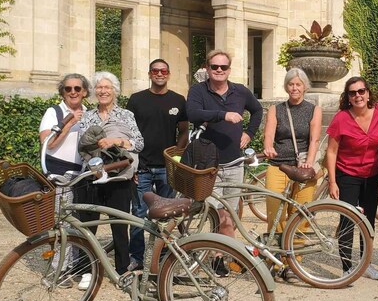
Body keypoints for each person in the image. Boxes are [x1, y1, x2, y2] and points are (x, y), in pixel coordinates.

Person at [185, 49, 263, 246]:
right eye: (214, 66)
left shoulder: (240, 91)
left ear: (229, 70)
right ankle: (217, 253)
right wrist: (223, 115)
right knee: (215, 213)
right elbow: (193, 114)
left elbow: (257, 110)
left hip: (234, 163)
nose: (219, 70)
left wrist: (249, 133)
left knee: (229, 214)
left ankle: (221, 257)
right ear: (207, 68)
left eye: (223, 67)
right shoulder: (198, 90)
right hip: (208, 165)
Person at [76, 71, 144, 286]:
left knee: (119, 226)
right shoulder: (87, 117)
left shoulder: (126, 115)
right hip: (93, 176)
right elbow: (82, 148)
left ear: (115, 91)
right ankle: (88, 270)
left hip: (119, 176)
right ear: (95, 92)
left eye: (107, 87)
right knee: (88, 225)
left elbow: (139, 143)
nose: (103, 91)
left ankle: (122, 269)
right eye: (99, 88)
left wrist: (117, 141)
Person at [125, 59, 188, 271]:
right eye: (155, 70)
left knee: (167, 214)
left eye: (163, 70)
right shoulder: (136, 100)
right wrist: (131, 163)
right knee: (139, 214)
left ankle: (161, 256)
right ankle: (137, 257)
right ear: (149, 73)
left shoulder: (178, 100)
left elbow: (184, 131)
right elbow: (128, 133)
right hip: (141, 167)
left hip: (166, 168)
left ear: (168, 74)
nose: (159, 74)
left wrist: (176, 157)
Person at [325, 76, 378, 281]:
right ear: (348, 97)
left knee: (368, 220)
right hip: (348, 174)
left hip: (373, 174)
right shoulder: (341, 118)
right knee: (348, 220)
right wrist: (332, 181)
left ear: (368, 93)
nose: (358, 96)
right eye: (353, 93)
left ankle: (366, 263)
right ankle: (347, 267)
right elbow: (331, 151)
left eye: (361, 91)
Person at [262, 68, 322, 236]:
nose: (294, 88)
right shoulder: (276, 109)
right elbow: (269, 134)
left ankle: (295, 258)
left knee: (300, 214)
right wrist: (268, 147)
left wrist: (309, 161)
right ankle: (277, 257)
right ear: (286, 87)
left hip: (302, 166)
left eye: (298, 84)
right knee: (275, 213)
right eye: (291, 84)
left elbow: (314, 140)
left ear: (305, 87)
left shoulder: (314, 110)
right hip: (278, 165)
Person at [39, 73, 89, 175]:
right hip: (57, 170)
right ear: (63, 92)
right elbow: (48, 143)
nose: (73, 92)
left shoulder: (90, 114)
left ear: (84, 92)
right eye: (68, 89)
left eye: (77, 89)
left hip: (83, 172)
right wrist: (70, 123)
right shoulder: (53, 112)